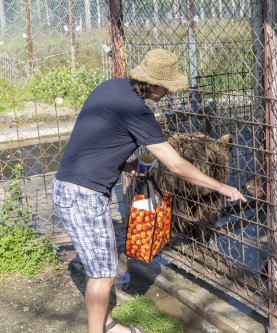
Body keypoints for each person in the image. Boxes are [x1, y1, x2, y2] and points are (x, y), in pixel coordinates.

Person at [52, 49, 247, 333]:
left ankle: (107, 325)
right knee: (103, 273)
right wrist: (221, 186)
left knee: (102, 265)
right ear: (153, 83)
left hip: (72, 186)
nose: (167, 92)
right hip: (83, 195)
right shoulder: (138, 110)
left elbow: (96, 142)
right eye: (166, 86)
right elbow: (176, 165)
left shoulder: (110, 87)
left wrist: (129, 166)